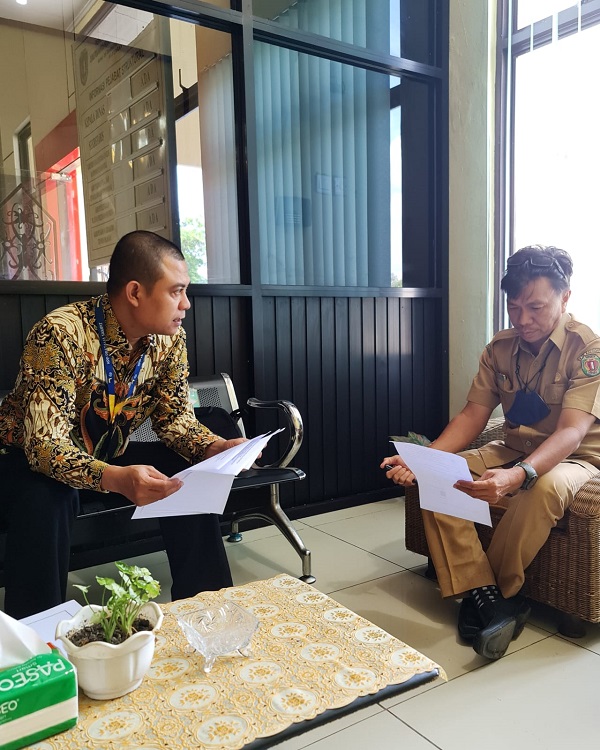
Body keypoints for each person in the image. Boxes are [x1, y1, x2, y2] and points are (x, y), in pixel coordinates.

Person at [0, 230, 246, 619]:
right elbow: (44, 447)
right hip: (25, 461)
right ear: (135, 292)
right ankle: (34, 636)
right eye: (176, 291)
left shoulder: (169, 340)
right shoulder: (60, 333)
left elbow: (175, 419)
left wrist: (213, 447)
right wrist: (116, 478)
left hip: (106, 452)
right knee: (47, 496)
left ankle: (206, 610)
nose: (186, 304)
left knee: (186, 469)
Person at [381, 245, 600, 660]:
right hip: (512, 445)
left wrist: (519, 475)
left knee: (543, 487)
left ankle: (495, 592)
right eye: (514, 307)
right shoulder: (500, 347)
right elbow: (472, 416)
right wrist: (422, 457)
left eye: (535, 307)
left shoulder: (588, 350)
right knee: (438, 472)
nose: (522, 319)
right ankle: (489, 597)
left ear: (565, 297)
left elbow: (572, 432)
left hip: (576, 457)